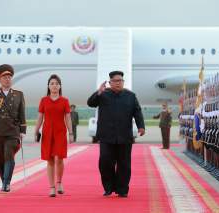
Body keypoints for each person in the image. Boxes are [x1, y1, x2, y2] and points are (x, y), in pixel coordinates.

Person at [87, 70, 145, 198]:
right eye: (115, 81)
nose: (118, 83)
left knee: (124, 164)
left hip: (124, 136)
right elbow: (90, 103)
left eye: (121, 81)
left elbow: (137, 112)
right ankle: (108, 187)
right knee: (105, 162)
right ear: (110, 82)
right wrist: (98, 92)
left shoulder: (130, 96)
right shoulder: (103, 95)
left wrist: (141, 126)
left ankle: (122, 189)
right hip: (106, 136)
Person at [0, 64, 27, 192]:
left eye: (9, 77)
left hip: (12, 130)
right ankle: (4, 180)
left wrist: (23, 130)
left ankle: (7, 183)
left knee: (9, 155)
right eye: (4, 77)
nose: (7, 79)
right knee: (0, 159)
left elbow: (22, 113)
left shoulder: (19, 95)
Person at [34, 74, 74, 197]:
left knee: (59, 159)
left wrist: (71, 133)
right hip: (47, 133)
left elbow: (68, 118)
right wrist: (36, 131)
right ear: (48, 86)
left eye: (56, 83)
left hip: (60, 132)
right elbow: (40, 117)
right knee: (50, 160)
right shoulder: (43, 100)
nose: (54, 85)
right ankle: (52, 187)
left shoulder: (65, 101)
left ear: (60, 86)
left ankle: (59, 182)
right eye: (52, 83)